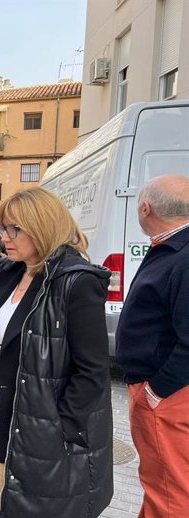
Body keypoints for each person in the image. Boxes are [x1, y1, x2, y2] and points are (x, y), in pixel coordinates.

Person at [0, 186, 113, 518]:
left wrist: (60, 425)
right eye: (2, 228)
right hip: (4, 419)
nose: (4, 236)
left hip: (44, 431)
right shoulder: (10, 272)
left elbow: (92, 372)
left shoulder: (76, 282)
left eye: (14, 229)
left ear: (42, 225)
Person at [116, 174, 189, 518]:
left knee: (169, 489)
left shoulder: (184, 257)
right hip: (166, 393)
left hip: (169, 396)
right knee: (161, 481)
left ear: (145, 208)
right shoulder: (173, 247)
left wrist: (156, 393)